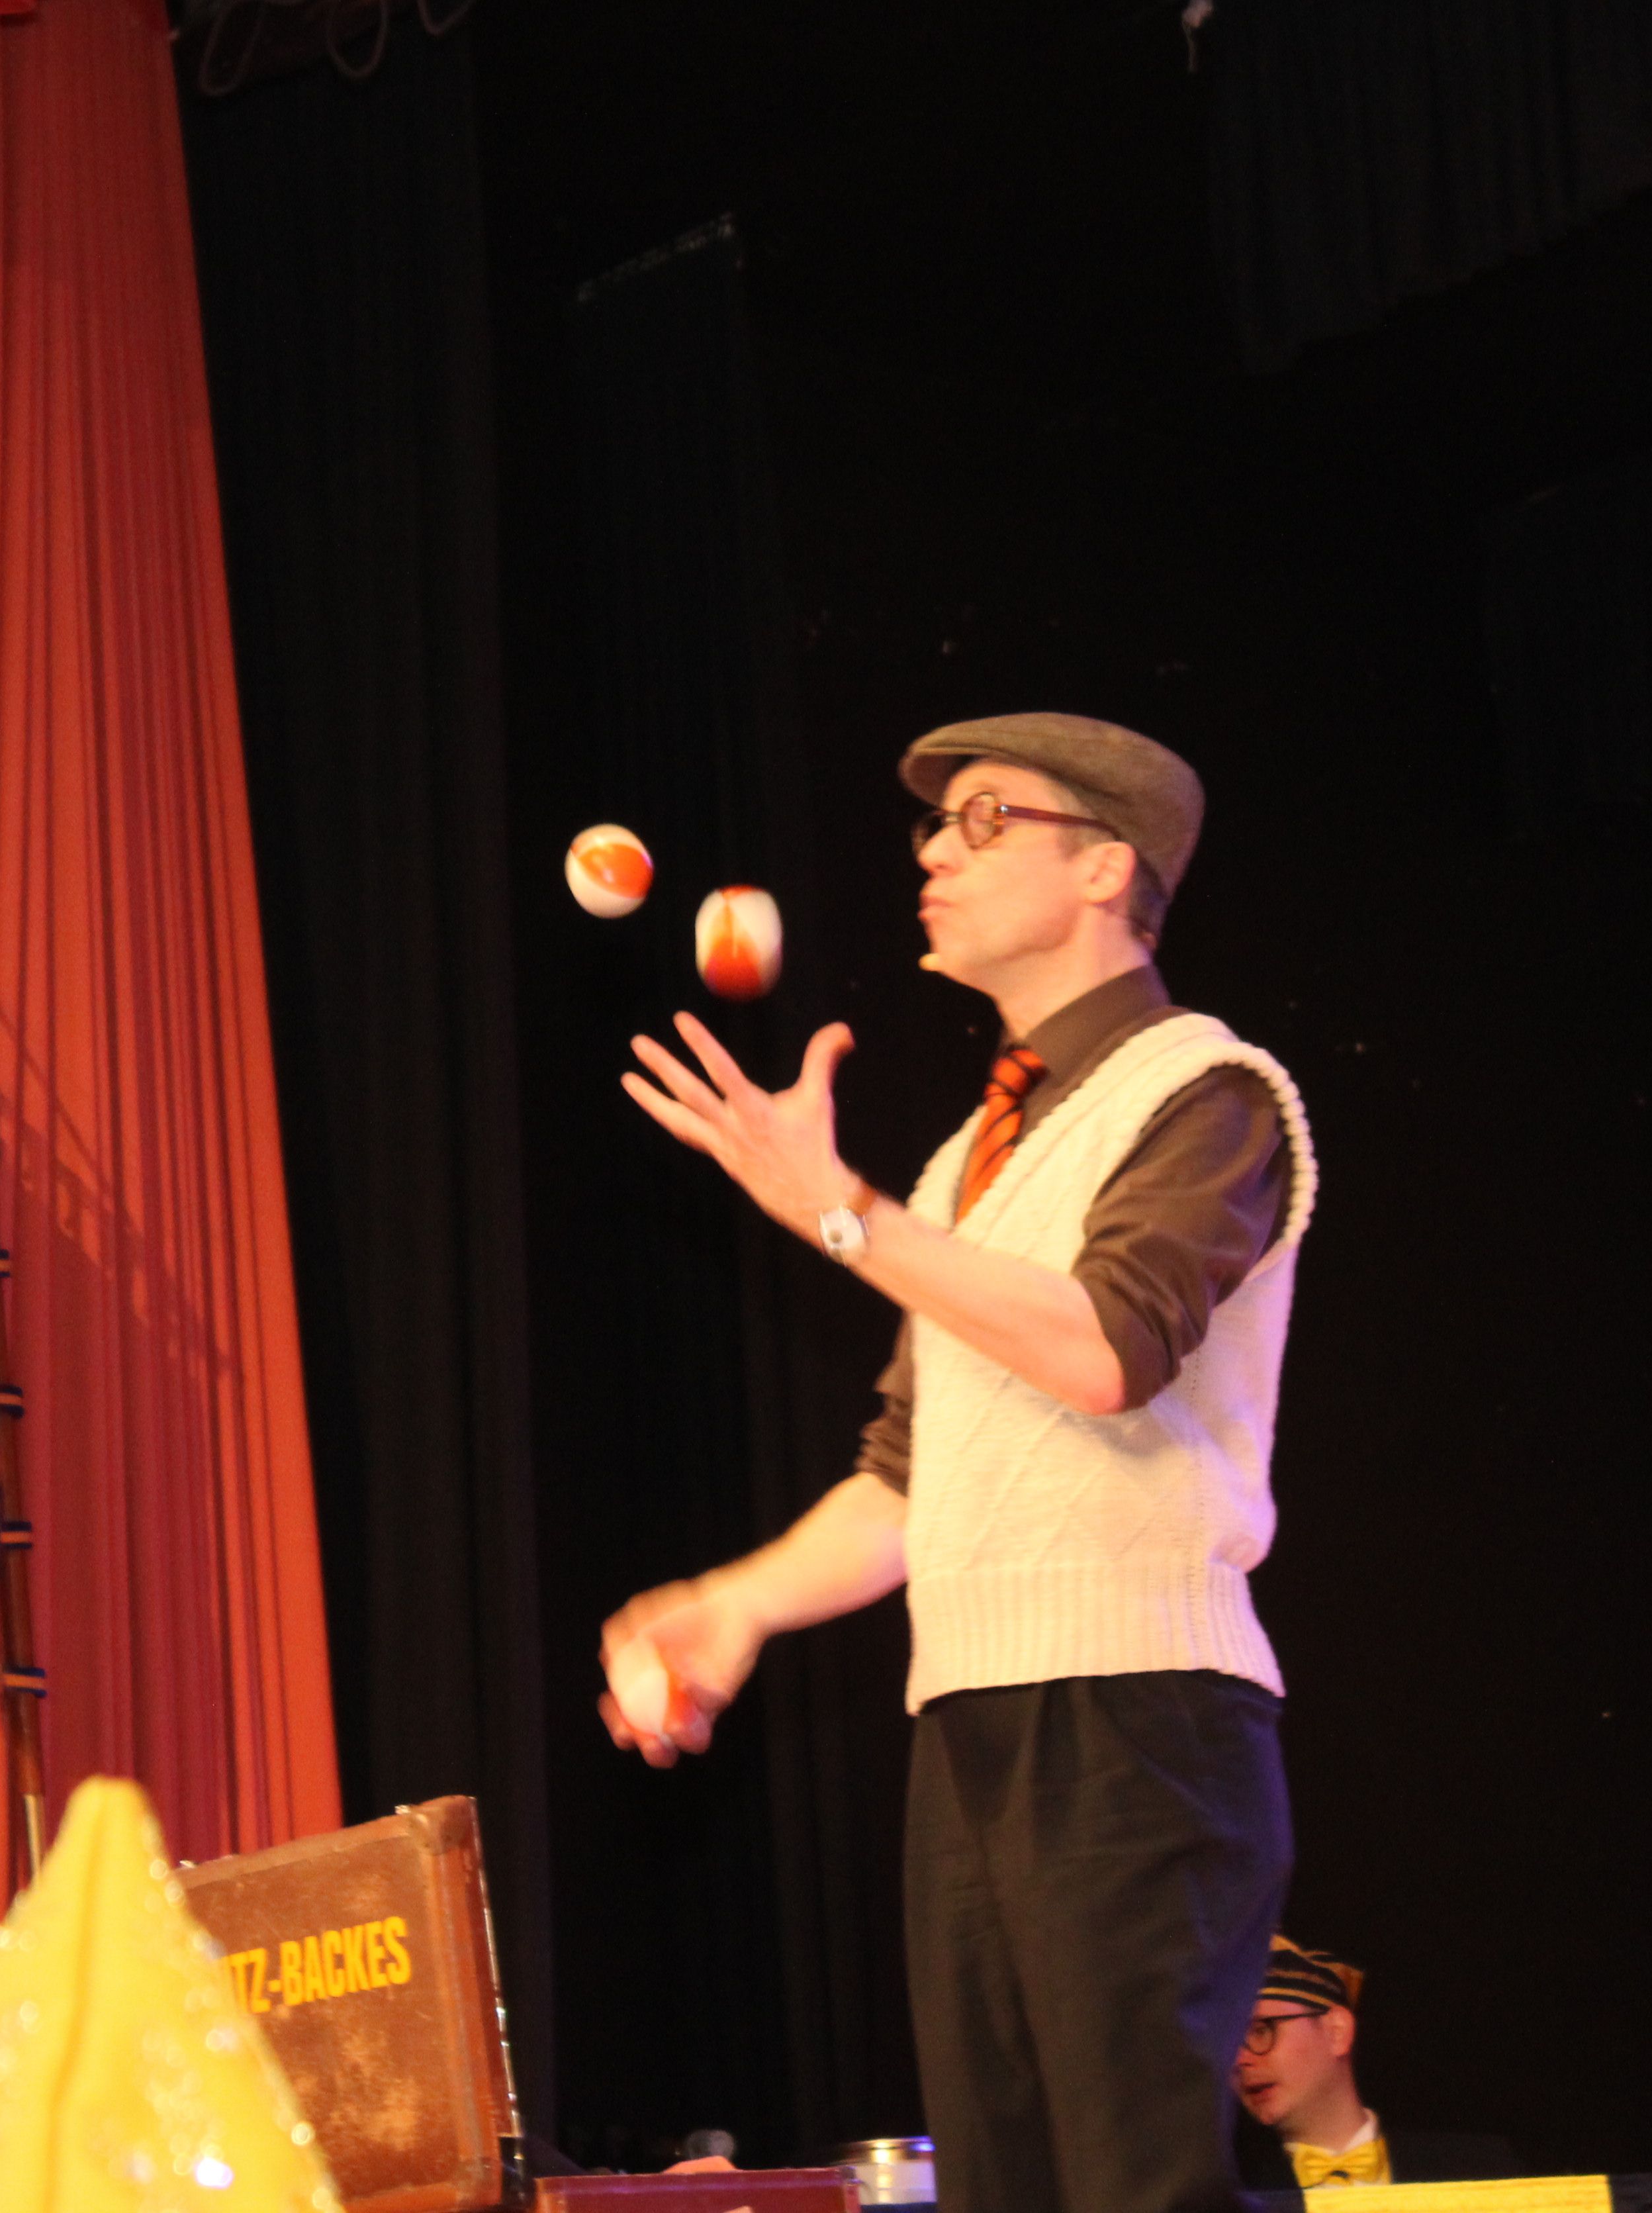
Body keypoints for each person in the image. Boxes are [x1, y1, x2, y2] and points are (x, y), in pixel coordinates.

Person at [598, 712, 1316, 2213]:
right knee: (1005, 2185)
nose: (935, 850)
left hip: (1138, 1712)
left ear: (1106, 866)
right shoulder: (961, 1167)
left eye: (987, 818)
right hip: (975, 1717)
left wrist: (839, 1212)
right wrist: (739, 1603)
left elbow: (1109, 1347)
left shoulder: (1209, 1090)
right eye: (936, 823)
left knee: (1137, 2185)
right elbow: (912, 1474)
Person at [1230, 1937, 1526, 2190]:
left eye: (1261, 2030)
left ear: (1336, 2032)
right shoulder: (1227, 2197)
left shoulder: (1479, 2172)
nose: (1240, 2059)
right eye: (1229, 2043)